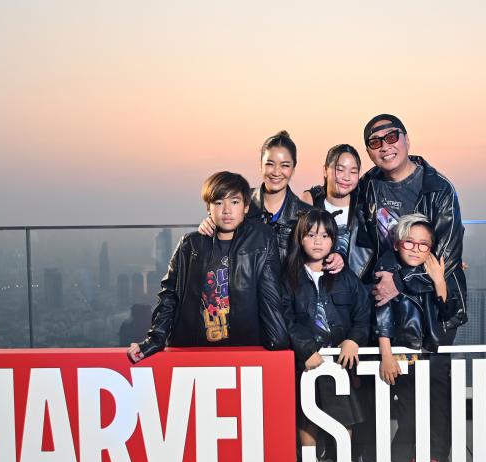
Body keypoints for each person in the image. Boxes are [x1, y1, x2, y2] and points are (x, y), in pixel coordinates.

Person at [349, 114, 467, 462]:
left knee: (433, 379)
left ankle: (434, 457)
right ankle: (384, 457)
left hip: (430, 304)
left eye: (391, 137)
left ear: (406, 140)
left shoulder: (437, 188)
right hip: (383, 302)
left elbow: (446, 256)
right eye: (375, 142)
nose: (385, 146)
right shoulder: (368, 186)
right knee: (382, 381)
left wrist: (398, 282)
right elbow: (355, 231)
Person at [128, 171, 288, 362]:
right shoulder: (191, 244)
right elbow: (169, 295)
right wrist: (155, 339)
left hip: (244, 349)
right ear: (208, 207)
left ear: (246, 207)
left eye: (234, 202)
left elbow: (272, 296)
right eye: (218, 203)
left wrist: (279, 342)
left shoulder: (261, 241)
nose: (226, 210)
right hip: (194, 349)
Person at [283, 208, 370, 462]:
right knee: (307, 415)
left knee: (343, 414)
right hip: (306, 361)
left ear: (334, 240)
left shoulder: (346, 277)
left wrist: (354, 340)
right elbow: (284, 317)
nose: (318, 241)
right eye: (310, 235)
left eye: (324, 235)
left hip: (339, 362)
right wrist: (305, 349)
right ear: (300, 239)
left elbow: (363, 314)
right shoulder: (289, 277)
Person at [371, 214, 452, 462]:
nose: (416, 249)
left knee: (424, 409)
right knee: (409, 412)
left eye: (423, 244)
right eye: (409, 242)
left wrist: (439, 281)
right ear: (397, 244)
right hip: (401, 356)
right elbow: (382, 318)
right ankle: (396, 460)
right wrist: (386, 356)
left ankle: (411, 459)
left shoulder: (427, 274)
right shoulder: (388, 274)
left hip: (424, 354)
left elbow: (445, 313)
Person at [199, 131, 312, 262]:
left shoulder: (308, 215)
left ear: (293, 168)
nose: (276, 172)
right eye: (270, 164)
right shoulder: (239, 202)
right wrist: (210, 225)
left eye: (285, 165)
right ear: (260, 165)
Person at [300, 144, 362, 275]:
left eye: (353, 172)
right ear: (325, 170)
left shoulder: (365, 210)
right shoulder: (310, 206)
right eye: (340, 169)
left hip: (354, 283)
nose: (346, 177)